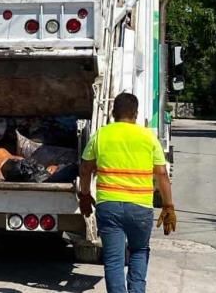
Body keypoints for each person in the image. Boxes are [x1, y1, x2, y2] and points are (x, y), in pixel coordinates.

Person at [78, 93, 176, 293]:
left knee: (114, 260)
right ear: (136, 114)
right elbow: (162, 174)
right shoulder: (148, 136)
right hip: (140, 208)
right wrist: (168, 206)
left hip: (109, 206)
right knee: (139, 251)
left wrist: (85, 195)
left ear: (113, 113)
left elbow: (86, 168)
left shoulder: (101, 134)